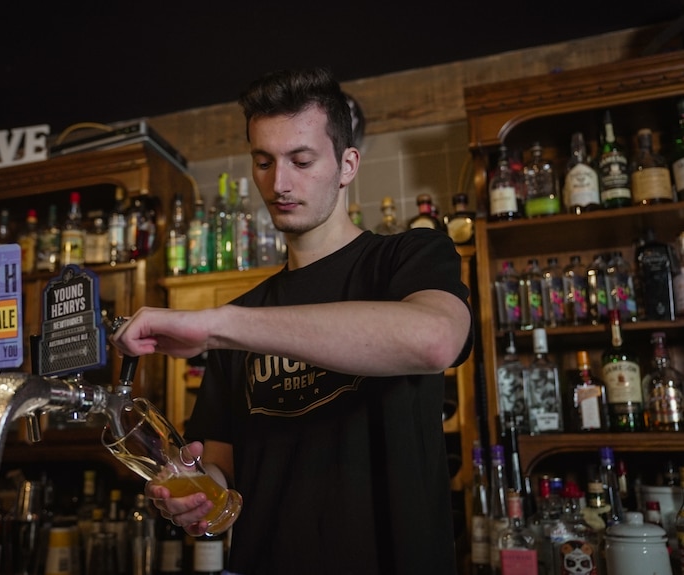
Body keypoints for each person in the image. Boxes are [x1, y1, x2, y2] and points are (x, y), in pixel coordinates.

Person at [110, 67, 473, 574]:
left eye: (301, 161)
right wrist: (195, 498)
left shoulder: (408, 258)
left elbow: (435, 340)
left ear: (347, 165)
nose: (279, 183)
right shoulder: (240, 315)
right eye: (263, 162)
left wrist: (218, 326)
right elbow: (223, 469)